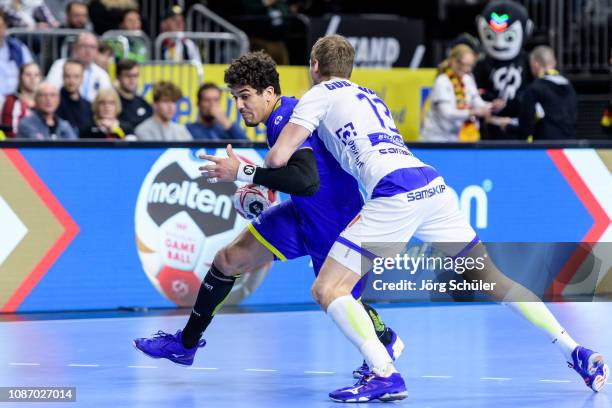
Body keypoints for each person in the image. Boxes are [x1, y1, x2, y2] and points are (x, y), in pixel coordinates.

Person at [201, 35, 609, 402]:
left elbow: (277, 159)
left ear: (313, 67)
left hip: (394, 194)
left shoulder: (318, 94)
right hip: (432, 185)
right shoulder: (370, 97)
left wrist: (244, 173)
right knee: (490, 279)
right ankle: (575, 349)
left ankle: (384, 373)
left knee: (328, 289)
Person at [133, 51, 403, 378]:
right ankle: (185, 345)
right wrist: (263, 180)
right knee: (227, 260)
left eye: (245, 96)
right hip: (304, 214)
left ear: (269, 93)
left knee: (342, 301)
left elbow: (305, 180)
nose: (240, 104)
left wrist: (245, 172)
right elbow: (300, 174)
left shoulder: (284, 117)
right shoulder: (281, 116)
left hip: (335, 224)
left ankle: (385, 342)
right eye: (235, 97)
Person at [421, 44, 503, 142]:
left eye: (470, 66)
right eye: (464, 64)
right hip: (436, 140)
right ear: (453, 61)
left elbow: (478, 103)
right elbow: (448, 113)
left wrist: (492, 106)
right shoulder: (442, 81)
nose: (467, 69)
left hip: (458, 138)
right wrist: (473, 112)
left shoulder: (468, 79)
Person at [518, 45, 577, 140]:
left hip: (544, 147)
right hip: (568, 145)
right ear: (554, 62)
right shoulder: (569, 86)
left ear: (535, 64)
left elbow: (526, 124)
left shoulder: (534, 89)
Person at [46, 32, 112, 102]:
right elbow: (50, 90)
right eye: (84, 46)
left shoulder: (102, 74)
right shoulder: (60, 65)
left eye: (92, 47)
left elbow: (107, 98)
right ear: (75, 48)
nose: (88, 51)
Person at [0, 62, 40, 137]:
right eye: (28, 75)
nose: (33, 79)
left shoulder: (44, 102)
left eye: (36, 75)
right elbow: (9, 132)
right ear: (20, 77)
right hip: (19, 145)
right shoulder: (11, 101)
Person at [0, 10, 33, 96]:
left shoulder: (18, 48)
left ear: (5, 27)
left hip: (16, 98)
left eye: (0, 26)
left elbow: (31, 71)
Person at [56, 59, 93, 134]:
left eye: (76, 76)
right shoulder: (53, 103)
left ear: (82, 78)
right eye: (68, 76)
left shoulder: (88, 106)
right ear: (62, 77)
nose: (71, 81)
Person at [115, 59, 151, 128]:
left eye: (135, 76)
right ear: (118, 77)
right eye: (128, 76)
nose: (132, 80)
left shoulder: (143, 102)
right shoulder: (111, 103)